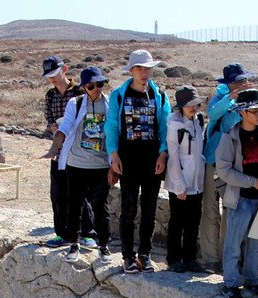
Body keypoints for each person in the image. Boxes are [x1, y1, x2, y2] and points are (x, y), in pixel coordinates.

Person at [105, 49, 171, 274]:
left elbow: (165, 127)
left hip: (153, 159)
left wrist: (163, 153)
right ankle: (127, 256)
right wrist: (113, 154)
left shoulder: (159, 95)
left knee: (150, 210)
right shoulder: (119, 95)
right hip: (128, 158)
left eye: (147, 68)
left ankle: (145, 254)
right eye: (139, 68)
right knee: (129, 208)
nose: (144, 73)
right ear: (131, 70)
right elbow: (112, 125)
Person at [42, 67, 113, 265]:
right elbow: (64, 127)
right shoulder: (76, 103)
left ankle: (103, 245)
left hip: (100, 164)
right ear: (84, 87)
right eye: (91, 86)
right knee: (75, 205)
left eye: (100, 84)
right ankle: (74, 244)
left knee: (101, 207)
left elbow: (115, 131)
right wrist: (55, 148)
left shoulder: (109, 104)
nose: (97, 89)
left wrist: (115, 162)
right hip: (76, 164)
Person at [215, 89, 258, 298]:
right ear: (243, 112)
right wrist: (253, 182)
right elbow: (224, 171)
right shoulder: (229, 137)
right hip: (239, 198)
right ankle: (231, 284)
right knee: (234, 244)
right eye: (255, 110)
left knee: (256, 243)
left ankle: (253, 280)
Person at [200, 63, 255, 272]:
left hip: (235, 164)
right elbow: (214, 115)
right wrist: (232, 97)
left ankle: (227, 258)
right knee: (210, 210)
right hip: (213, 160)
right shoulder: (220, 98)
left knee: (230, 211)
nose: (241, 84)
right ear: (229, 83)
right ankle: (209, 258)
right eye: (236, 81)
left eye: (242, 80)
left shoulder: (248, 98)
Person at [41, 55, 94, 249]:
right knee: (58, 192)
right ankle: (63, 233)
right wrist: (53, 127)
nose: (52, 79)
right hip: (59, 149)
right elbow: (49, 119)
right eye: (49, 76)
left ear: (65, 69)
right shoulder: (50, 96)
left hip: (79, 150)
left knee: (82, 193)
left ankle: (88, 233)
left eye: (55, 74)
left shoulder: (81, 92)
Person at [163, 85, 205, 272]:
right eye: (189, 104)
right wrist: (179, 186)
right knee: (177, 222)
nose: (193, 107)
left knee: (193, 222)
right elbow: (173, 157)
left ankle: (190, 258)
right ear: (180, 106)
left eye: (195, 103)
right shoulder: (174, 125)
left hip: (196, 182)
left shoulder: (198, 120)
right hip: (180, 183)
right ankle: (173, 259)